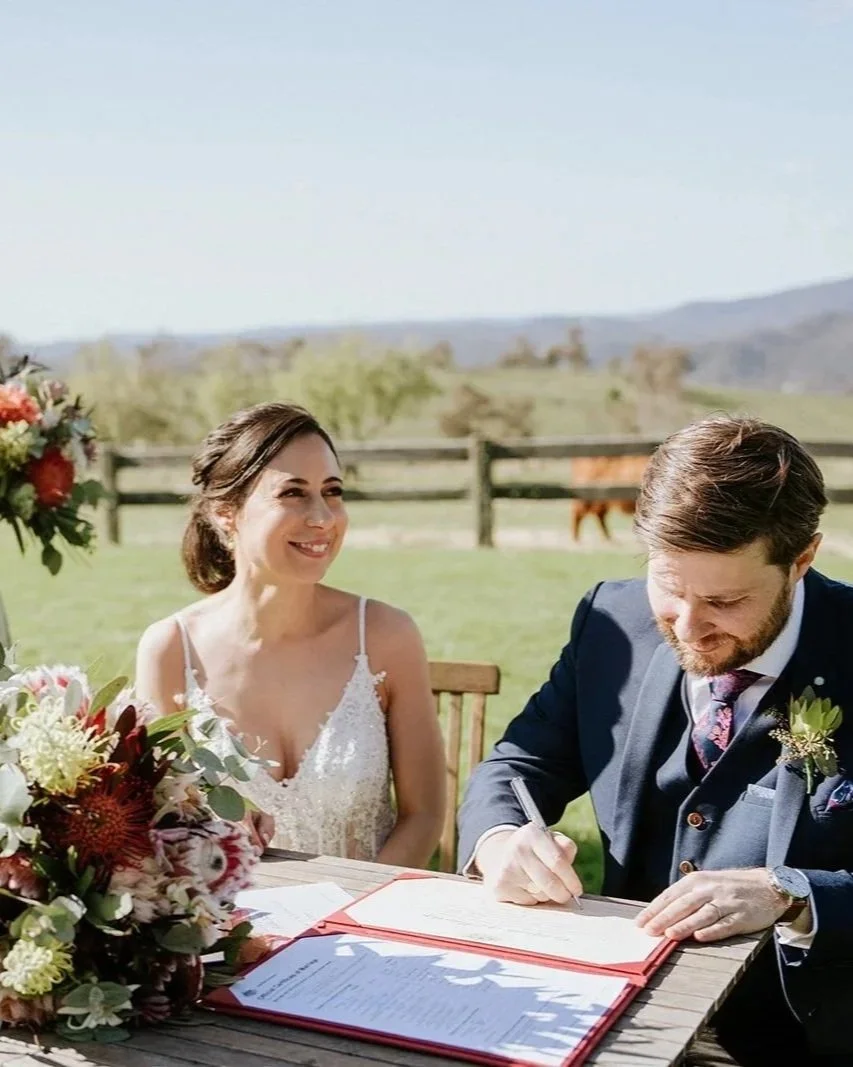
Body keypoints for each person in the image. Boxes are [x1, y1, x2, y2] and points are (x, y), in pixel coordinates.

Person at [457, 415, 853, 1066]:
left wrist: (793, 891)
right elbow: (517, 764)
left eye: (724, 600)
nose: (689, 627)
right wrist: (499, 839)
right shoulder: (610, 621)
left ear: (800, 559)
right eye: (669, 587)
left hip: (803, 1042)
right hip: (616, 1025)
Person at [136, 402, 445, 867]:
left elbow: (423, 816)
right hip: (229, 928)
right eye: (293, 493)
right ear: (226, 513)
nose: (323, 517)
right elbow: (151, 821)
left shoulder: (387, 637)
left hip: (369, 924)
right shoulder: (170, 650)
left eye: (332, 491)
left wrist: (354, 914)